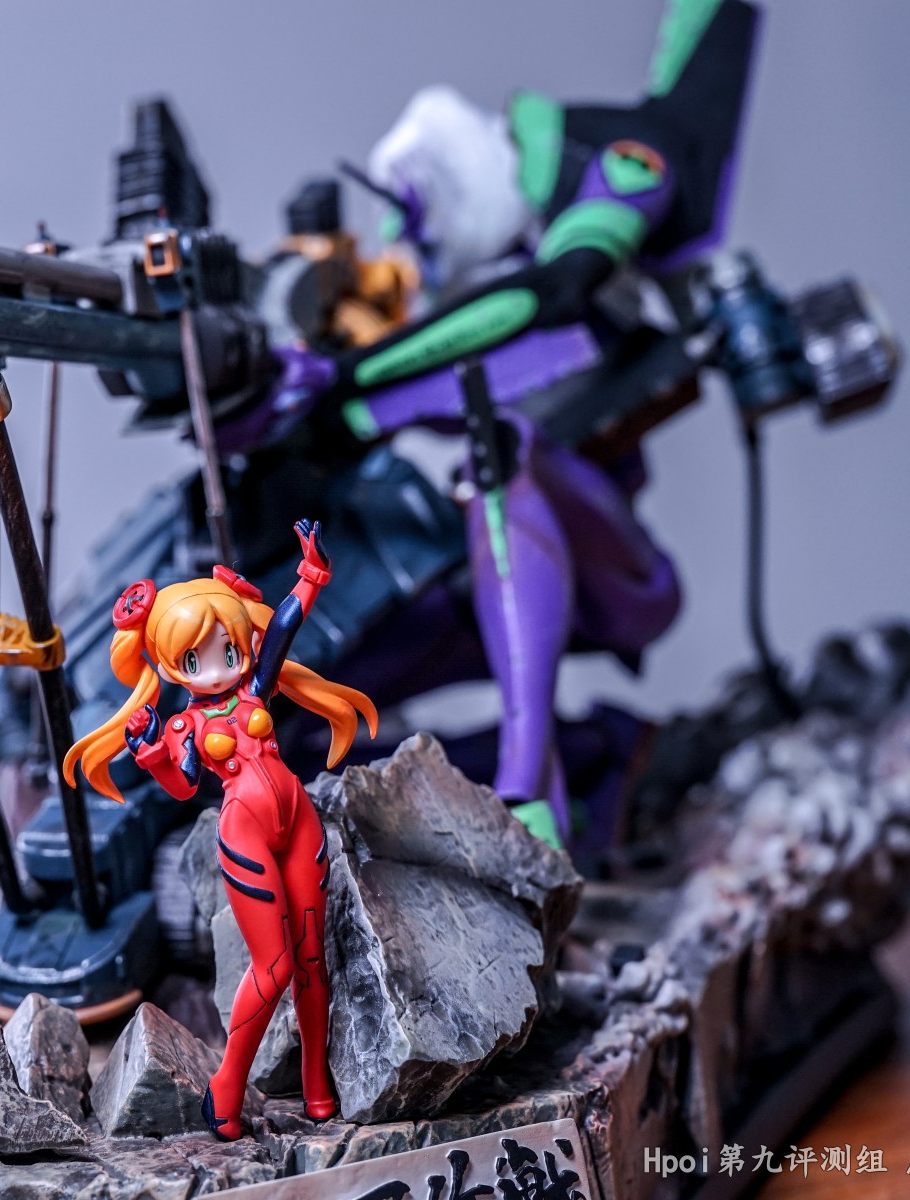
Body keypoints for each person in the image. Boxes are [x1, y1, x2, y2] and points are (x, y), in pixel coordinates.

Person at [269, 0, 759, 846]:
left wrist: (351, 384)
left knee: (502, 454)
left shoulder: (620, 166)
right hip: (474, 581)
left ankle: (530, 799)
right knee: (291, 709)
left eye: (413, 219)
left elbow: (554, 293)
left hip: (612, 569)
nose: (406, 251)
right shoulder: (481, 257)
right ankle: (596, 764)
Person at [64, 520, 377, 1139]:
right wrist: (150, 752)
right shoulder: (185, 725)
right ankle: (228, 1084)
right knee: (274, 967)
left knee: (312, 961)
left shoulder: (256, 686)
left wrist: (311, 575)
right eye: (195, 658)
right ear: (169, 664)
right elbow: (184, 787)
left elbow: (281, 628)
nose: (215, 667)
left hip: (298, 820)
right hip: (245, 834)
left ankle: (318, 1085)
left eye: (227, 650)